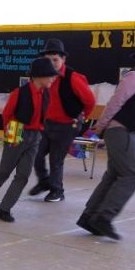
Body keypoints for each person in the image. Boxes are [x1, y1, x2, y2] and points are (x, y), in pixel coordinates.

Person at [77, 37, 135, 240]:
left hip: (124, 133)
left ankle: (89, 217)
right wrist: (99, 127)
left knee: (114, 175)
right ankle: (104, 217)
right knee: (131, 175)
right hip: (123, 132)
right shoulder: (134, 78)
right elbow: (114, 103)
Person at [0, 57, 59, 223]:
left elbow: (45, 115)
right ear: (39, 75)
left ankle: (4, 209)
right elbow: (7, 115)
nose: (53, 78)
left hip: (35, 135)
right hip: (16, 130)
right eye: (50, 75)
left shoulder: (47, 94)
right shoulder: (19, 93)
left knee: (23, 174)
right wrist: (11, 134)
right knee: (5, 170)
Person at [28, 38, 97, 203]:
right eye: (48, 60)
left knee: (55, 159)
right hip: (47, 124)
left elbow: (90, 100)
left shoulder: (73, 77)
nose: (51, 64)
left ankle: (57, 191)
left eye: (55, 60)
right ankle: (44, 182)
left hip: (67, 125)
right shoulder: (42, 77)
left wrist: (82, 116)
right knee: (35, 153)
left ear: (63, 59)